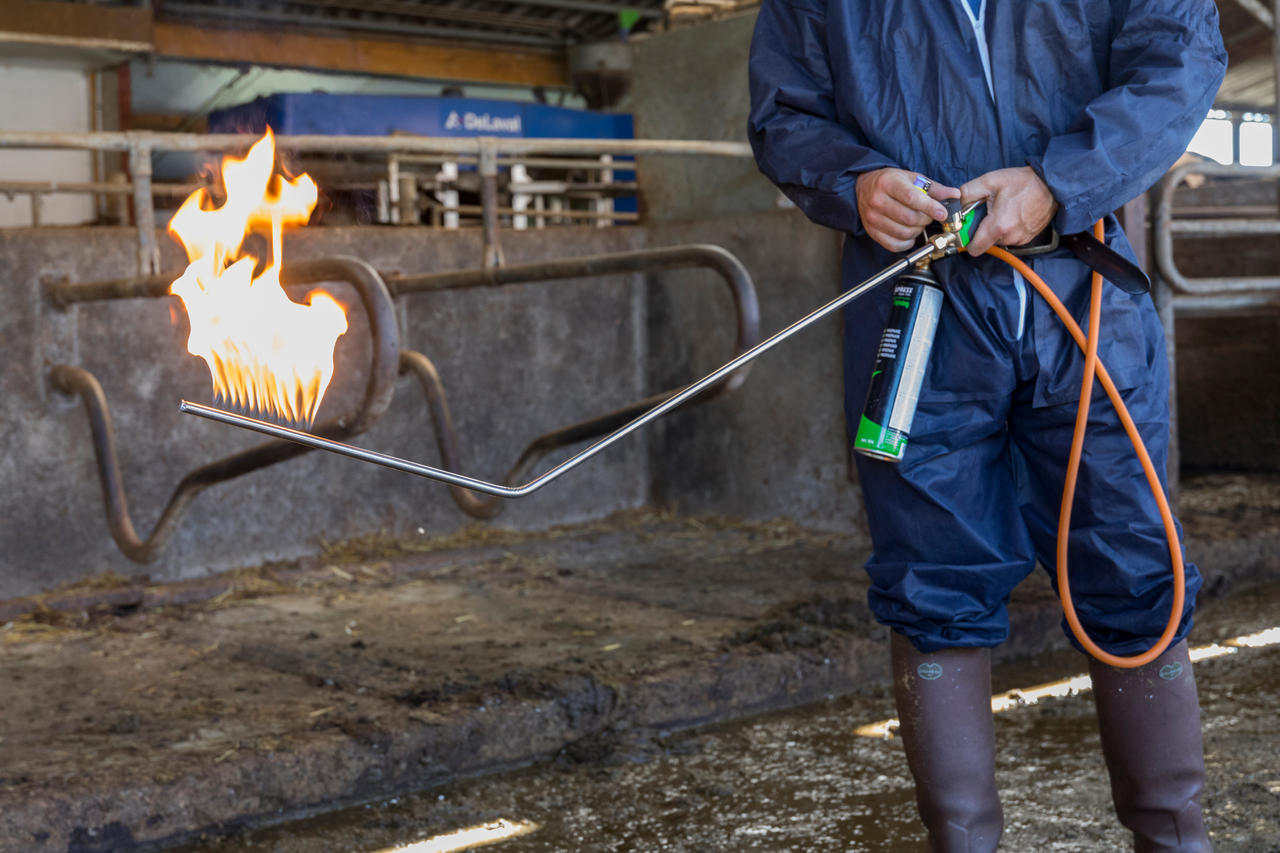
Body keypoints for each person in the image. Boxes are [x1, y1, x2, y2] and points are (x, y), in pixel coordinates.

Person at [746, 2, 1227, 850]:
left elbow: (1180, 58)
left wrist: (1056, 182)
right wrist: (854, 184)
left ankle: (1172, 838)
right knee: (934, 579)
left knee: (1132, 559)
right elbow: (785, 110)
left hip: (1084, 284)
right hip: (918, 302)